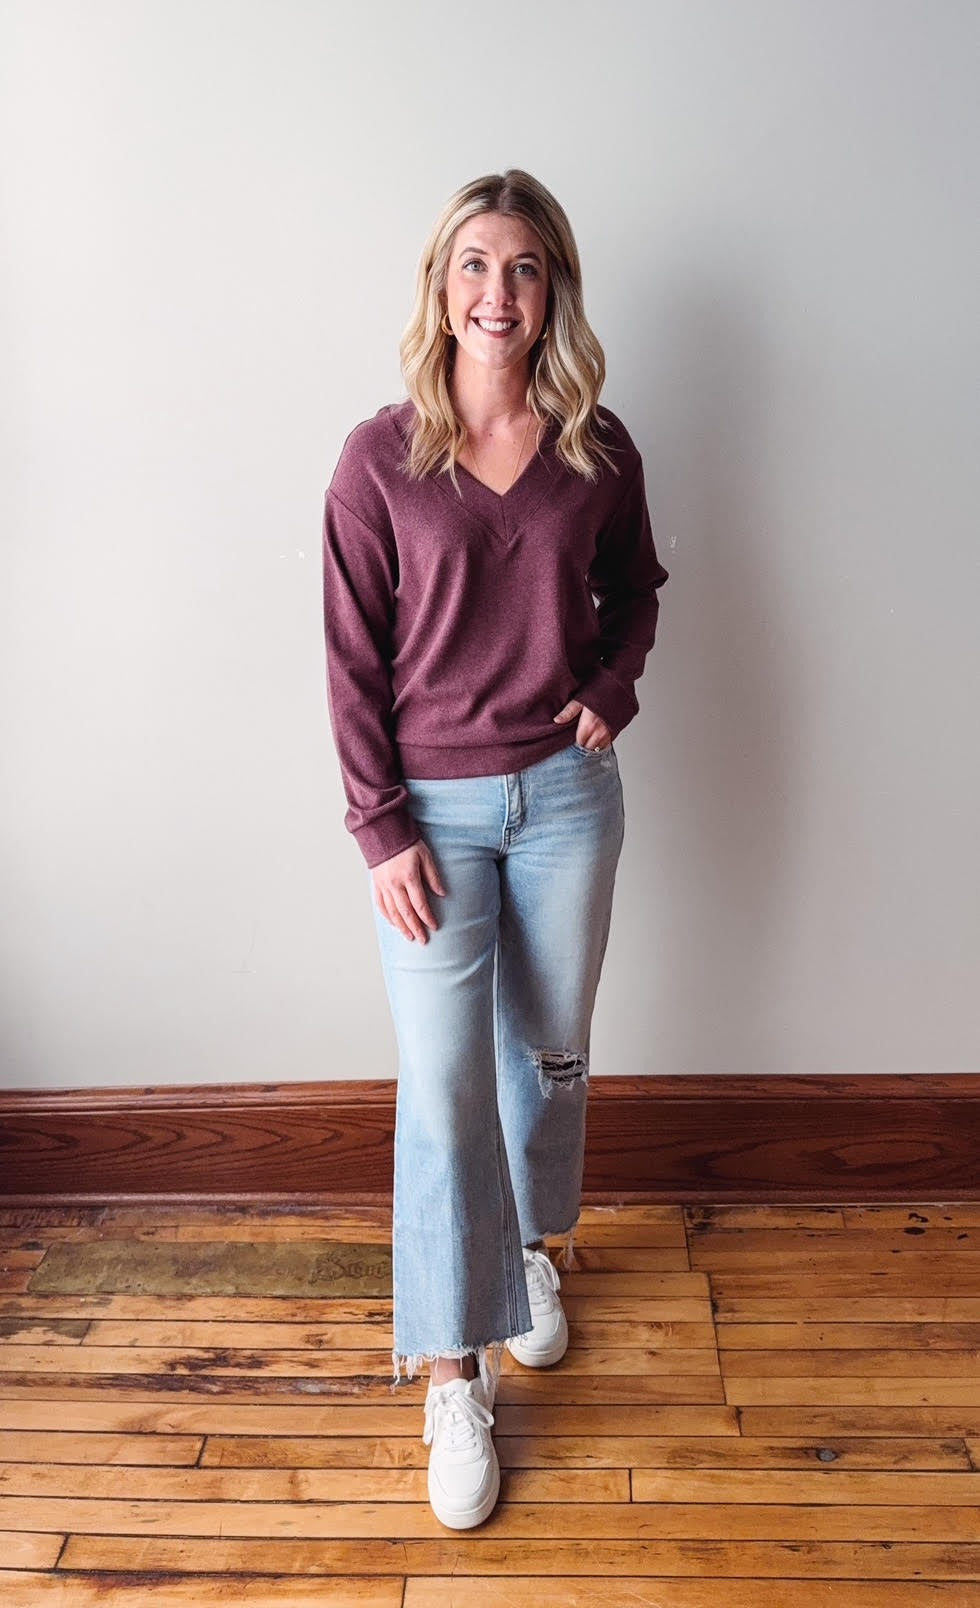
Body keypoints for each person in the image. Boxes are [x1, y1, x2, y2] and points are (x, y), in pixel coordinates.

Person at [321, 169, 668, 1530]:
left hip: (569, 802)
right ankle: (450, 1370)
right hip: (432, 821)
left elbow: (638, 592)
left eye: (523, 269)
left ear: (552, 291)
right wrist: (379, 829)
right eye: (476, 265)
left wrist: (614, 689)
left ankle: (526, 1250)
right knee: (440, 1087)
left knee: (553, 1057)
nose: (497, 294)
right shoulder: (378, 459)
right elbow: (351, 663)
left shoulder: (599, 447)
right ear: (440, 284)